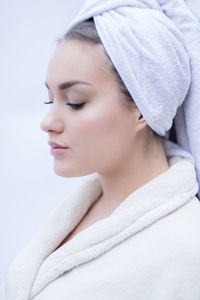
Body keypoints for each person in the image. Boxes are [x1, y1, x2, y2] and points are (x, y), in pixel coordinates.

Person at [1, 0, 200, 299]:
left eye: (75, 102)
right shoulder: (81, 210)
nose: (48, 122)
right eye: (49, 99)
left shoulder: (187, 250)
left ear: (144, 109)